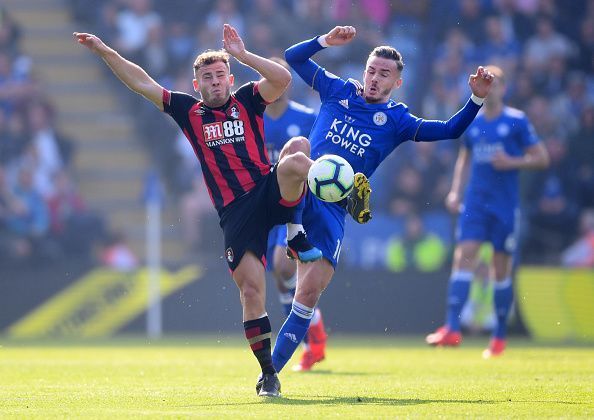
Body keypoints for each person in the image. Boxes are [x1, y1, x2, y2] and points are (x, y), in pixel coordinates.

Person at [74, 24, 316, 398]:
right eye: (207, 77)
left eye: (220, 76)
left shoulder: (249, 98)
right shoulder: (189, 111)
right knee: (252, 291)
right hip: (236, 213)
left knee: (298, 151)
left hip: (267, 187)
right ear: (196, 82)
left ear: (230, 78)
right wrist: (106, 50)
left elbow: (282, 78)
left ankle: (298, 224)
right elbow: (141, 83)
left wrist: (243, 53)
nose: (215, 82)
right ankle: (269, 374)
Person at [271, 26, 494, 374]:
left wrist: (476, 99)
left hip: (334, 207)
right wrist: (325, 42)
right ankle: (289, 223)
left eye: (384, 74)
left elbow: (450, 129)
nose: (375, 78)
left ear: (397, 83)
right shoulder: (337, 90)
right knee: (298, 150)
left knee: (309, 291)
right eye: (371, 70)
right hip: (301, 191)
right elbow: (293, 57)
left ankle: (271, 373)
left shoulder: (397, 121)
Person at [426, 65, 549, 358]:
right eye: (486, 83)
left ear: (504, 88)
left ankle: (499, 336)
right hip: (475, 204)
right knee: (463, 256)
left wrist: (513, 161)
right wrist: (456, 190)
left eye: (495, 83)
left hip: (504, 207)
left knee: (500, 269)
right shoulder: (474, 123)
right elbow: (464, 159)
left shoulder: (516, 122)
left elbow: (541, 158)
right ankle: (452, 327)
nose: (490, 88)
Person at [264, 57, 327, 372]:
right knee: (282, 278)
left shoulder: (306, 119)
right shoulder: (253, 120)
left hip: (295, 205)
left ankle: (308, 342)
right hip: (264, 205)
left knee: (281, 266)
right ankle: (313, 331)